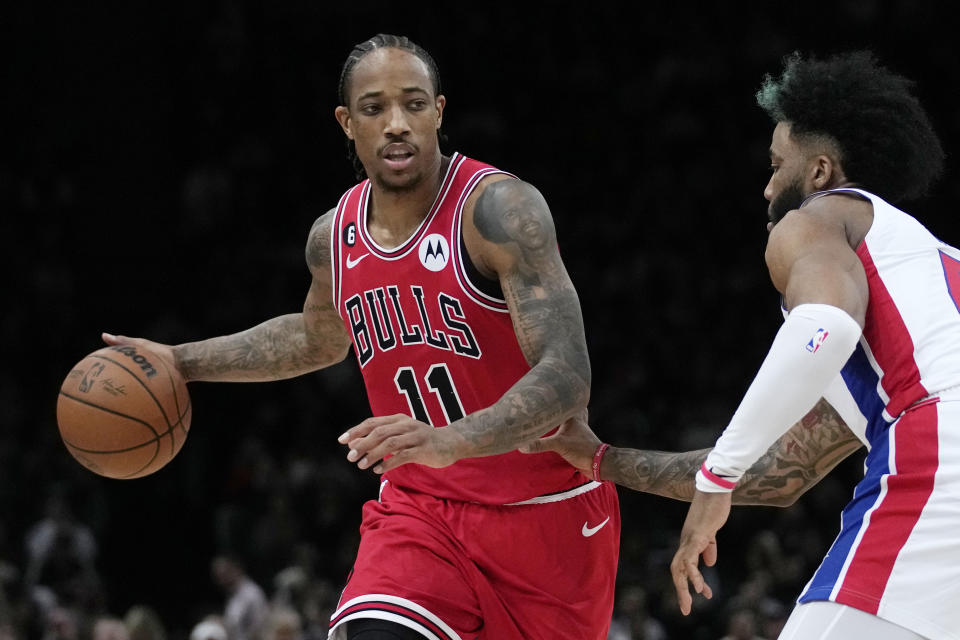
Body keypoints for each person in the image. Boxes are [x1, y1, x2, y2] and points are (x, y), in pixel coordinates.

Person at [103, 33, 619, 640]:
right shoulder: (334, 235)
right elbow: (316, 337)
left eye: (414, 104)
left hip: (545, 519)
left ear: (439, 112)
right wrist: (178, 362)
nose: (396, 124)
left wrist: (452, 440)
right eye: (375, 108)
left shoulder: (499, 211)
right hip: (418, 511)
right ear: (348, 123)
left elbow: (566, 376)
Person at [524, 51, 959, 640]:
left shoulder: (819, 218)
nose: (767, 185)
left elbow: (823, 326)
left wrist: (717, 481)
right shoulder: (927, 279)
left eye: (778, 164)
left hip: (938, 458)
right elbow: (782, 473)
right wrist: (602, 459)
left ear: (821, 171)